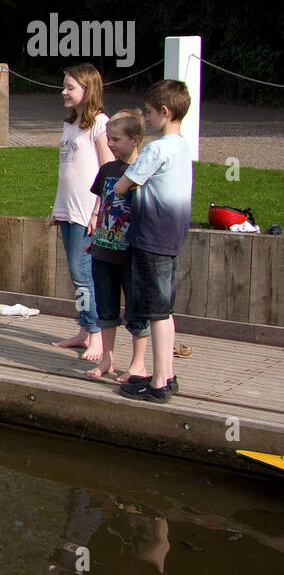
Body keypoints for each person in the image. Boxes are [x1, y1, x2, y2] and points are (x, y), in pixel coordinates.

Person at [112, 80, 193, 403]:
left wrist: (127, 183)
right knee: (166, 308)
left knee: (155, 312)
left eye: (148, 113)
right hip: (172, 235)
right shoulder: (182, 147)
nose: (145, 119)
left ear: (165, 112)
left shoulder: (157, 149)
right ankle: (168, 373)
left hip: (151, 237)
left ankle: (158, 382)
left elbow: (121, 186)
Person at [49, 63, 113, 361]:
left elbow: (109, 171)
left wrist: (98, 211)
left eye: (70, 87)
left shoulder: (100, 124)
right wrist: (56, 207)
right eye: (64, 86)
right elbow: (66, 170)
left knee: (81, 272)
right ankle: (84, 330)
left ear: (88, 90)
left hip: (87, 211)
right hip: (67, 209)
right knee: (76, 274)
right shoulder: (70, 124)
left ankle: (96, 334)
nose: (64, 91)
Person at [84, 110, 150, 382]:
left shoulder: (143, 172)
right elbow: (102, 205)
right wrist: (95, 237)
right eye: (108, 138)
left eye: (116, 140)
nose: (110, 144)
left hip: (131, 253)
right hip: (103, 250)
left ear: (135, 140)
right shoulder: (107, 170)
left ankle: (138, 363)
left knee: (136, 308)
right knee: (106, 306)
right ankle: (107, 357)